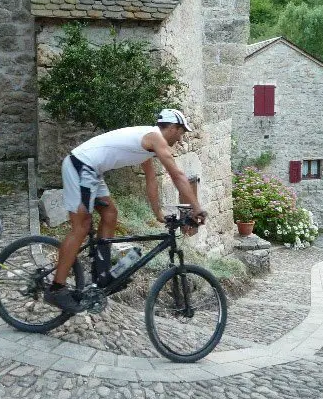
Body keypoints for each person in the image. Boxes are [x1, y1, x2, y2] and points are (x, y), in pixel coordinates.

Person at [45, 108, 207, 312]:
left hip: (92, 170)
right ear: (173, 128)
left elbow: (151, 181)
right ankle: (56, 289)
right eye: (182, 132)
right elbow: (177, 175)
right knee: (81, 226)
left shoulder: (148, 145)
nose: (182, 138)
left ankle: (101, 275)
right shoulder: (155, 138)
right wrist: (197, 208)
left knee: (110, 214)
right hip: (80, 166)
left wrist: (157, 213)